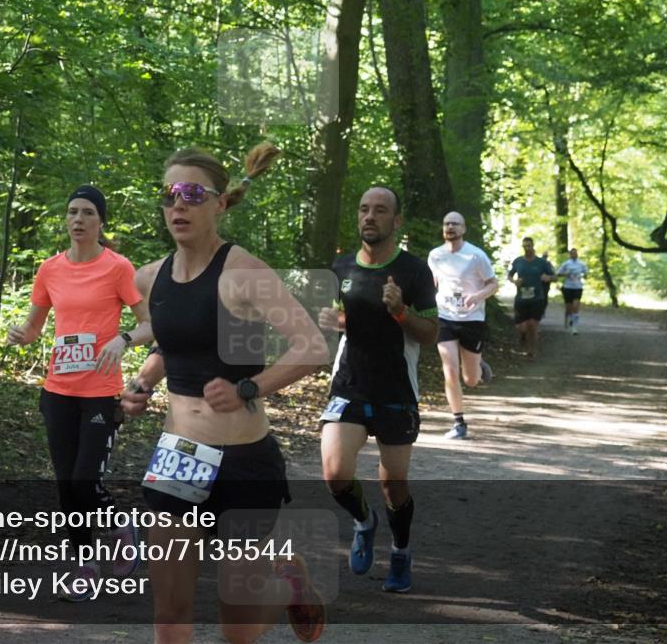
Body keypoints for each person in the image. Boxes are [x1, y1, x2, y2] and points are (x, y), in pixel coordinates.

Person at [120, 144, 330, 644]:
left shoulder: (243, 272)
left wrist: (248, 387)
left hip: (242, 464)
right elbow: (175, 346)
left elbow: (311, 346)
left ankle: (285, 581)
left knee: (235, 629)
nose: (178, 205)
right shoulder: (149, 279)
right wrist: (142, 383)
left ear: (218, 203)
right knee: (169, 614)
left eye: (192, 194)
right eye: (170, 194)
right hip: (179, 458)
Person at [6, 185, 153, 599]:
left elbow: (150, 323)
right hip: (57, 390)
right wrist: (23, 334)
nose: (78, 219)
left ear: (100, 221)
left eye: (88, 212)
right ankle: (85, 563)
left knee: (85, 480)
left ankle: (120, 528)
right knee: (67, 485)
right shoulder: (49, 269)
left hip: (99, 392)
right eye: (72, 211)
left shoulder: (118, 267)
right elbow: (36, 327)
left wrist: (124, 338)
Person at [317, 187, 438, 594]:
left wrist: (401, 311)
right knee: (335, 474)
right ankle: (363, 521)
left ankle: (401, 552)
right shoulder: (342, 266)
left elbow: (430, 333)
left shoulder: (415, 271)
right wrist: (331, 320)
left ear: (396, 221)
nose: (370, 216)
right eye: (364, 209)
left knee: (394, 484)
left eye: (380, 210)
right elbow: (342, 322)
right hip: (350, 383)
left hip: (396, 390)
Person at [427, 212, 498, 440]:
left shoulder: (476, 256)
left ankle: (478, 365)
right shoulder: (435, 255)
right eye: (447, 223)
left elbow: (493, 284)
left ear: (463, 229)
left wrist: (477, 296)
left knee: (471, 380)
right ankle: (458, 422)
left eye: (455, 224)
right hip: (445, 317)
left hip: (472, 320)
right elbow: (432, 284)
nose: (450, 227)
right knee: (450, 370)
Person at [508, 238, 556, 358]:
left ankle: (532, 350)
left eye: (529, 246)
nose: (527, 248)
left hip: (537, 298)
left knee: (533, 325)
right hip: (521, 299)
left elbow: (554, 276)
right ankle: (523, 336)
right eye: (525, 246)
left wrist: (548, 278)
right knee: (521, 327)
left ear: (533, 246)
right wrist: (514, 281)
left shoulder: (541, 262)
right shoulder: (518, 261)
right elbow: (509, 275)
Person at [556, 248, 589, 335]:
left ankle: (574, 328)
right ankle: (568, 318)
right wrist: (566, 274)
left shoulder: (581, 264)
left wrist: (583, 275)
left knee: (575, 307)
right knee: (568, 307)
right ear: (570, 255)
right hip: (567, 287)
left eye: (575, 253)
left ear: (577, 254)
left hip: (578, 287)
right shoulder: (566, 264)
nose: (574, 254)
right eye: (572, 253)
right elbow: (558, 274)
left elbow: (586, 275)